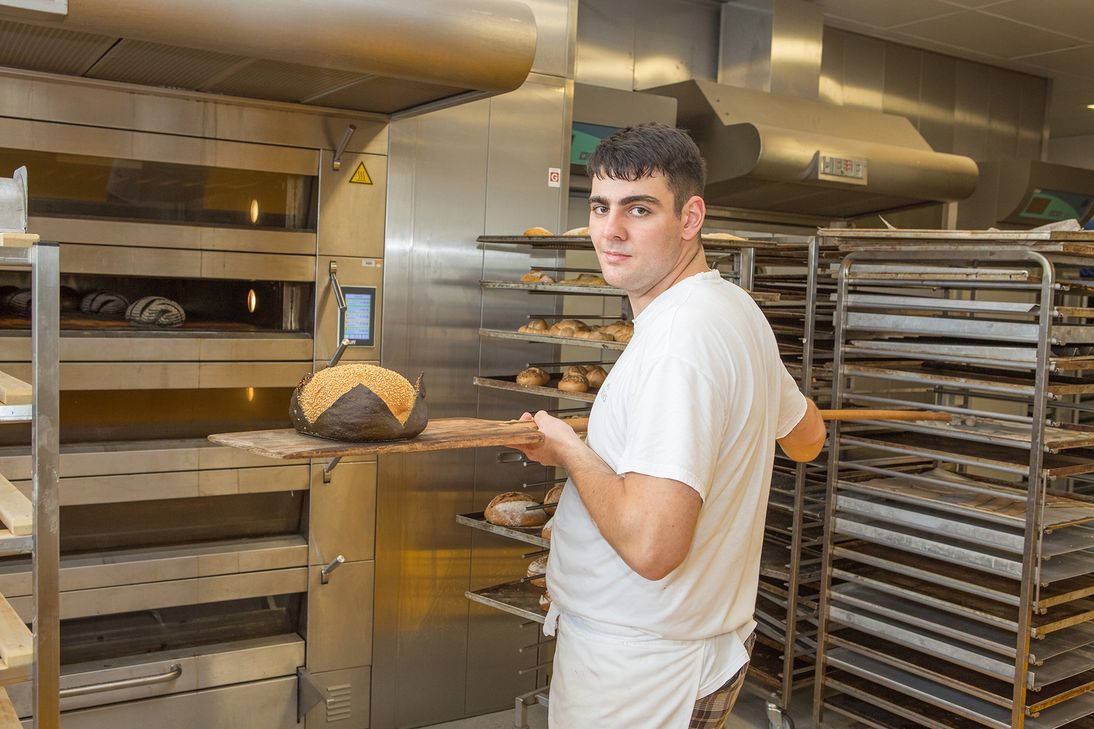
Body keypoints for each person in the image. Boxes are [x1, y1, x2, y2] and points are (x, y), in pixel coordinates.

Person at [516, 122, 826, 729]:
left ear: (691, 218)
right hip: (686, 643)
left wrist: (572, 451)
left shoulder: (678, 344)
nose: (612, 231)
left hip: (642, 665)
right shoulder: (733, 309)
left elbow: (654, 547)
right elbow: (808, 437)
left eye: (639, 209)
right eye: (601, 208)